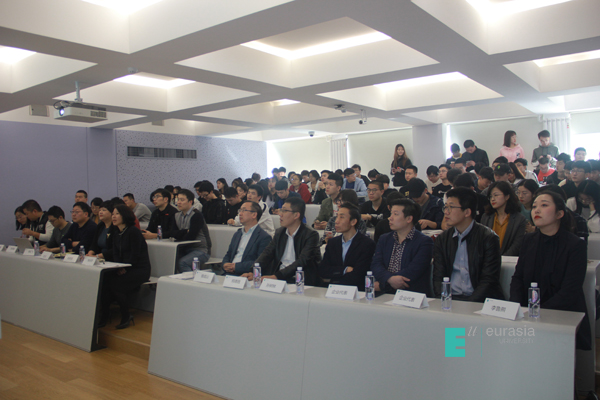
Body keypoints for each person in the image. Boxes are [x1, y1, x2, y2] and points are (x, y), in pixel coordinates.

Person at [509, 191, 591, 351]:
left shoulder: (575, 245)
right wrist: (518, 307)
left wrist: (539, 311)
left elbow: (570, 290)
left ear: (559, 213)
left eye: (544, 205)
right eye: (534, 206)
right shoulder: (528, 240)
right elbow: (518, 278)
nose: (536, 210)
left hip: (562, 314)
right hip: (527, 313)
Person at [433, 187, 504, 302]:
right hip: (451, 299)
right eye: (445, 207)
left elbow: (489, 280)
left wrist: (469, 304)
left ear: (467, 212)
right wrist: (442, 300)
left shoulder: (488, 238)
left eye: (451, 207)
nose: (446, 212)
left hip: (480, 301)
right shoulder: (442, 239)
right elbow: (438, 277)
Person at [243, 197, 321, 285]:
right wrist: (253, 271)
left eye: (284, 211)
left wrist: (276, 276)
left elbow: (302, 261)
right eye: (280, 210)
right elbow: (267, 253)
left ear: (296, 215)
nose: (280, 214)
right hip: (280, 277)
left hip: (301, 280)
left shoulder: (311, 235)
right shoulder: (280, 232)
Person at [98, 204, 151, 330]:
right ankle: (104, 316)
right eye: (113, 214)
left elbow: (135, 255)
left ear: (125, 216)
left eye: (117, 214)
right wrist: (118, 267)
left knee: (116, 284)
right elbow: (116, 253)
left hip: (139, 269)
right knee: (105, 281)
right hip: (124, 267)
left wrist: (124, 267)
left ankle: (126, 315)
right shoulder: (117, 232)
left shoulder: (133, 232)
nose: (114, 216)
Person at [371, 199, 434, 295]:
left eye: (395, 214)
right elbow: (376, 265)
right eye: (391, 214)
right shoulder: (384, 239)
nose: (390, 218)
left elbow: (413, 272)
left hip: (411, 294)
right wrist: (389, 279)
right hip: (384, 294)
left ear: (409, 219)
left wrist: (383, 285)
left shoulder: (424, 242)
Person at [319, 202, 375, 290]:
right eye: (337, 216)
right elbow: (323, 270)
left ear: (353, 222)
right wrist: (344, 270)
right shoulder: (333, 242)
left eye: (341, 217)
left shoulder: (366, 244)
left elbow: (359, 274)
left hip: (357, 290)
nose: (336, 221)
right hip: (333, 290)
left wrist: (334, 279)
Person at [166, 189, 212, 273]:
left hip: (201, 250)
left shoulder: (196, 215)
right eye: (178, 199)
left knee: (182, 263)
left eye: (182, 200)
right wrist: (185, 231)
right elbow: (172, 233)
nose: (178, 202)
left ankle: (193, 280)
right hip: (184, 249)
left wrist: (180, 235)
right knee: (168, 259)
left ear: (190, 202)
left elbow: (191, 237)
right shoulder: (176, 215)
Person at [221, 201, 272, 275]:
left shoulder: (264, 237)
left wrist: (236, 267)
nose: (240, 214)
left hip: (246, 275)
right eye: (240, 210)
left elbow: (261, 262)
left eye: (244, 210)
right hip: (229, 273)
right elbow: (229, 254)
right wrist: (225, 264)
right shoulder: (238, 234)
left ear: (254, 215)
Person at [480, 181, 527, 256]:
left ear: (507, 196)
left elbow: (517, 245)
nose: (492, 199)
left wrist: (502, 259)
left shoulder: (519, 219)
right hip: (488, 258)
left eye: (496, 195)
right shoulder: (486, 217)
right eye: (490, 196)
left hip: (509, 260)